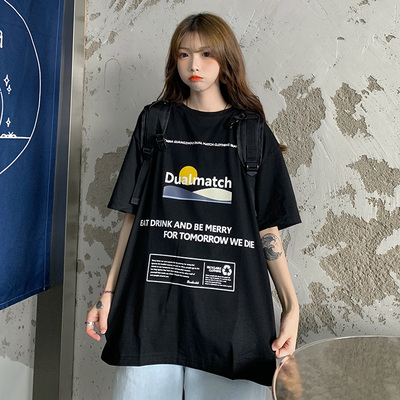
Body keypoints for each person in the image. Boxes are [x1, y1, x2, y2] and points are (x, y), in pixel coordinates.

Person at [86, 12, 301, 400]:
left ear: (225, 58)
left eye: (205, 53)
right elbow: (133, 219)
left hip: (232, 322)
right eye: (184, 54)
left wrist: (291, 306)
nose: (194, 65)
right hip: (152, 313)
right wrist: (108, 293)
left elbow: (267, 229)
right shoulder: (156, 123)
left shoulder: (251, 133)